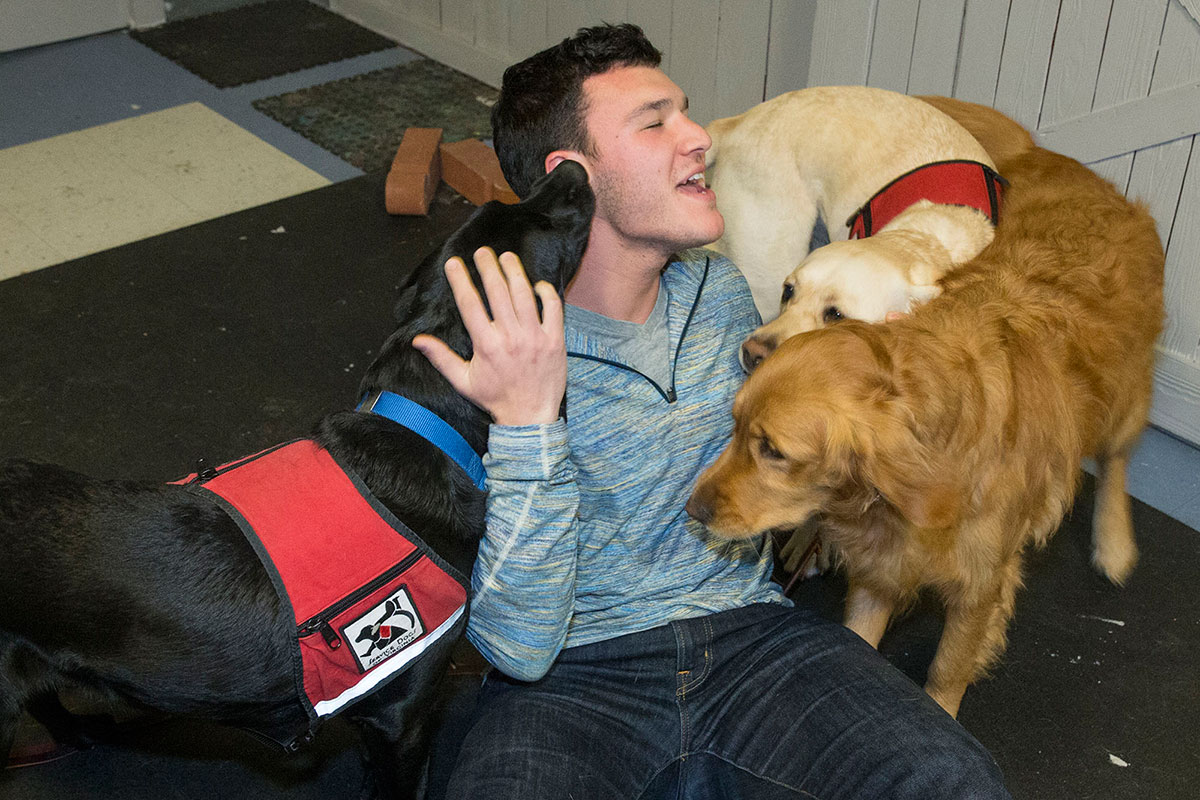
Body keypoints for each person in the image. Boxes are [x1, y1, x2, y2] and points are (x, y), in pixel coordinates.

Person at [411, 23, 1011, 799]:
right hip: (573, 676)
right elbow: (518, 647)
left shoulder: (724, 296)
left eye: (685, 113)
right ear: (572, 178)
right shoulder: (487, 340)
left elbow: (841, 454)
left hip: (755, 640)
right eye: (656, 122)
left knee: (954, 781)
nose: (700, 138)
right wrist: (528, 423)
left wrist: (902, 370)